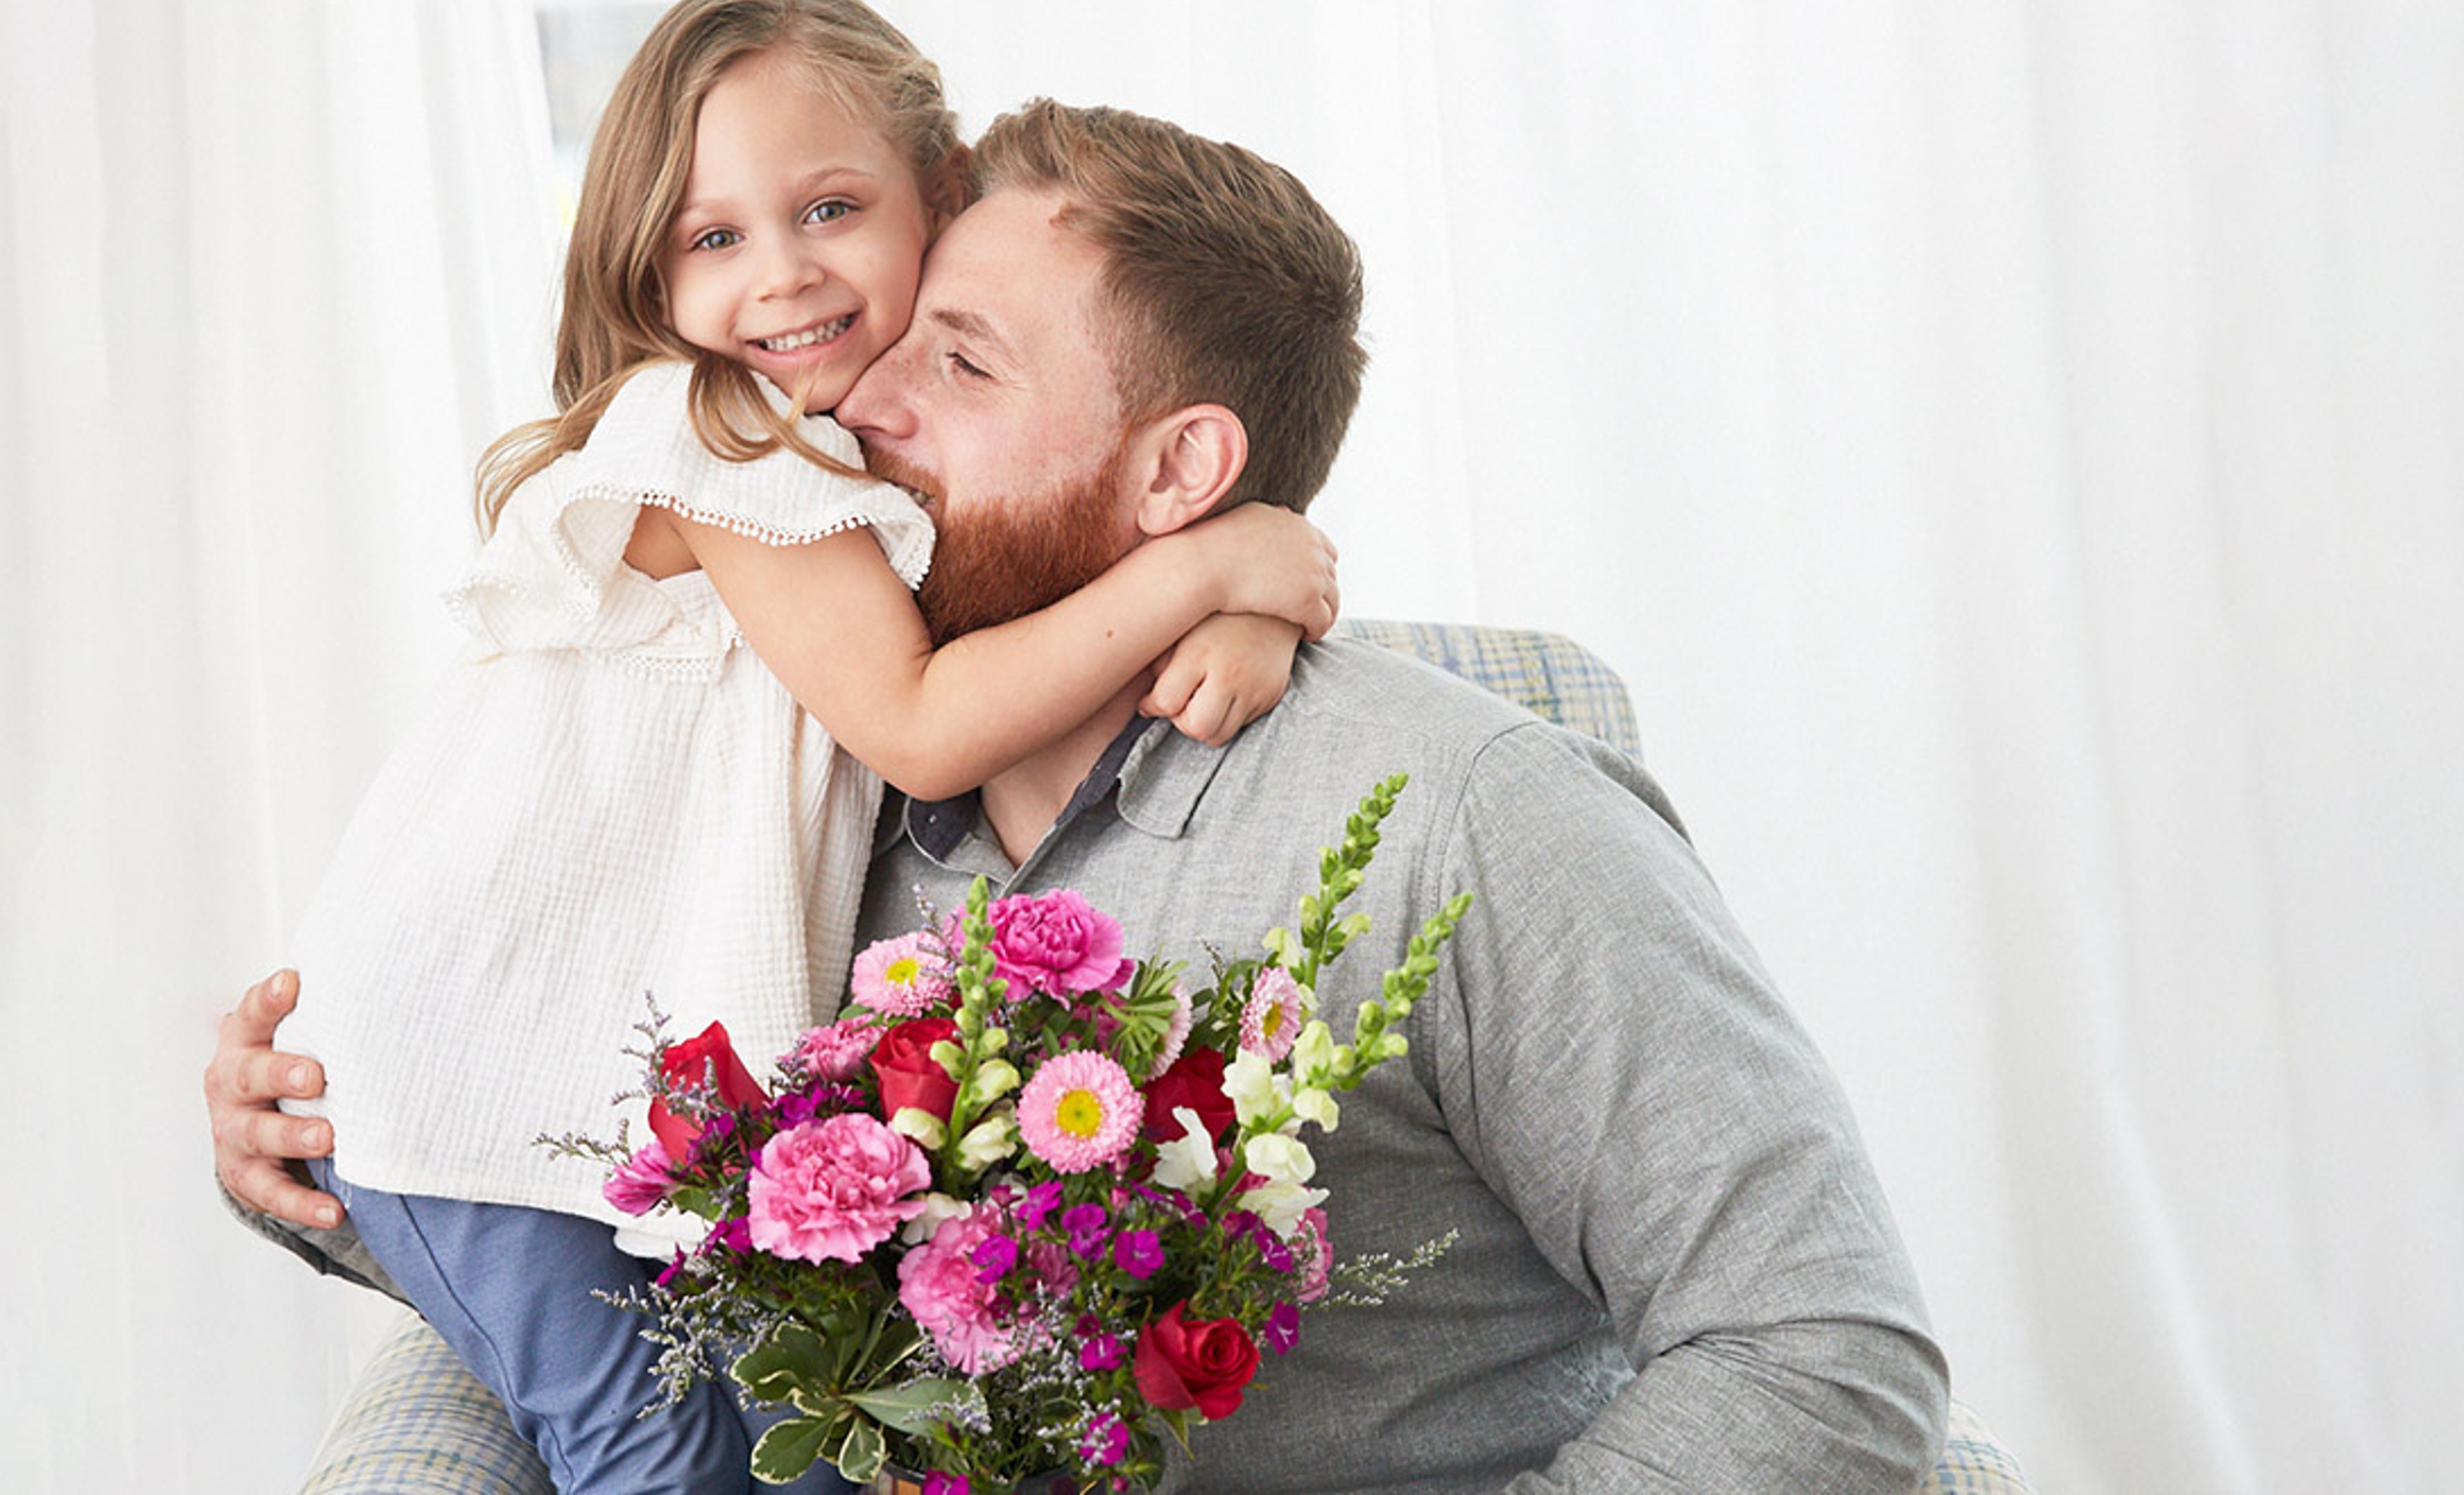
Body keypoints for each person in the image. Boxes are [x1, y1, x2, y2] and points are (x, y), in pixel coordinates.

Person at [215, 97, 1951, 1491]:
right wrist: (304, 1150)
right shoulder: (804, 811)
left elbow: (1822, 1353)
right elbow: (603, 1239)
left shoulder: (1464, 814)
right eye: (899, 332)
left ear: (1182, 471)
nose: (860, 395)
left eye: (961, 365)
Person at [265, 0, 1337, 1493]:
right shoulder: (720, 434)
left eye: (828, 207)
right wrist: (1211, 570)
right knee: (659, 1451)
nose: (781, 277)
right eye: (713, 238)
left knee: (785, 1450)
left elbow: (1038, 591)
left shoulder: (856, 475)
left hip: (581, 1091)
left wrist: (1243, 610)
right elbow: (921, 722)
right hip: (475, 1070)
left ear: (938, 196)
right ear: (649, 266)